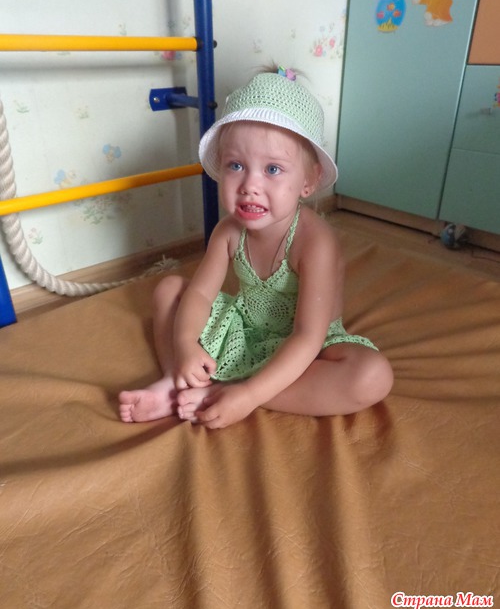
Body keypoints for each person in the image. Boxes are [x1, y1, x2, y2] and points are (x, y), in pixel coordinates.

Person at [119, 66, 393, 429]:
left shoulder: (315, 242)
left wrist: (249, 396)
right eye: (236, 165)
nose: (250, 185)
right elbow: (199, 295)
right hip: (244, 329)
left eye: (273, 169)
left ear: (309, 180)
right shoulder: (228, 232)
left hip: (305, 347)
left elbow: (308, 336)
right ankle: (178, 384)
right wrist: (185, 345)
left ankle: (224, 392)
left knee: (372, 376)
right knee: (169, 289)